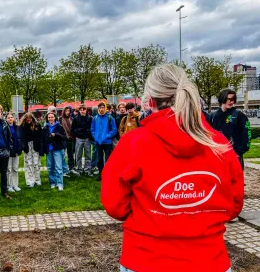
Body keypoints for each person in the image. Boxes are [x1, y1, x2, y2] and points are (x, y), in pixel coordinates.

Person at [101, 64, 244, 272]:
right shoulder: (218, 144)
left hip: (145, 259)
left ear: (150, 101)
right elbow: (233, 204)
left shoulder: (133, 143)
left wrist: (152, 213)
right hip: (209, 260)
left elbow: (115, 204)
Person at [209, 89, 251, 169]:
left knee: (235, 180)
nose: (231, 102)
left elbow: (247, 135)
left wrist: (239, 152)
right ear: (222, 99)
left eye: (233, 99)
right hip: (217, 156)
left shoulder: (239, 115)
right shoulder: (213, 116)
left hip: (234, 156)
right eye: (228, 99)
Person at [41, 112, 66, 191]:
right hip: (49, 149)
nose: (50, 119)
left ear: (55, 118)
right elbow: (43, 139)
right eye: (49, 117)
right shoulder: (45, 128)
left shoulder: (59, 127)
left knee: (58, 167)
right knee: (50, 167)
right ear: (47, 119)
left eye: (52, 117)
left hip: (57, 149)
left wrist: (56, 135)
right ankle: (52, 182)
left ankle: (60, 183)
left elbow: (64, 137)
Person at [91, 102, 117, 179]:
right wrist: (96, 137)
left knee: (108, 158)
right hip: (98, 142)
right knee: (99, 158)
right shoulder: (95, 118)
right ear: (98, 109)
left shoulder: (110, 118)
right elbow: (92, 129)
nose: (101, 109)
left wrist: (107, 136)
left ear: (105, 108)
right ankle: (101, 173)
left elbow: (114, 130)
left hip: (107, 142)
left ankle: (108, 173)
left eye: (103, 107)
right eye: (100, 108)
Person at [19, 112, 42, 187]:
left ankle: (37, 180)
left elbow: (40, 136)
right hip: (27, 146)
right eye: (27, 120)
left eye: (30, 119)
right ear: (25, 119)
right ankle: (30, 181)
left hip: (35, 145)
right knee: (28, 164)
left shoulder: (37, 125)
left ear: (32, 119)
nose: (29, 121)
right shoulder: (22, 126)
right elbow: (21, 138)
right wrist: (24, 146)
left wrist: (39, 145)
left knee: (36, 163)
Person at [70, 104, 92, 176]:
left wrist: (89, 135)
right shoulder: (76, 119)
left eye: (84, 109)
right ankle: (79, 169)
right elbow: (72, 129)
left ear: (86, 110)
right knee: (78, 155)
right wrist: (75, 136)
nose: (82, 111)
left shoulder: (90, 118)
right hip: (79, 138)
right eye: (81, 110)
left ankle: (87, 170)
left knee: (88, 155)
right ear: (79, 111)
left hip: (87, 139)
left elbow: (92, 128)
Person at [6, 113, 24, 192]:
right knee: (9, 169)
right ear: (6, 119)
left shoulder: (17, 128)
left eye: (11, 117)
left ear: (14, 118)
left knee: (15, 169)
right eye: (8, 117)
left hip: (16, 151)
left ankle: (15, 185)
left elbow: (20, 138)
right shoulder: (5, 128)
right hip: (9, 152)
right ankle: (9, 186)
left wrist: (20, 148)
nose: (10, 119)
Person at [59, 106, 75, 174]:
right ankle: (63, 168)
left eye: (69, 111)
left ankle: (71, 167)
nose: (68, 112)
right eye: (66, 111)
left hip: (71, 138)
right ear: (64, 111)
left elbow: (73, 128)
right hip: (63, 138)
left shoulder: (71, 118)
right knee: (62, 154)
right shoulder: (60, 118)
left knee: (70, 154)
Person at [90, 106, 99, 174]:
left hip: (94, 137)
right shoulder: (95, 118)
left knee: (95, 151)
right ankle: (93, 165)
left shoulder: (92, 117)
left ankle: (94, 164)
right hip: (95, 137)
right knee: (96, 151)